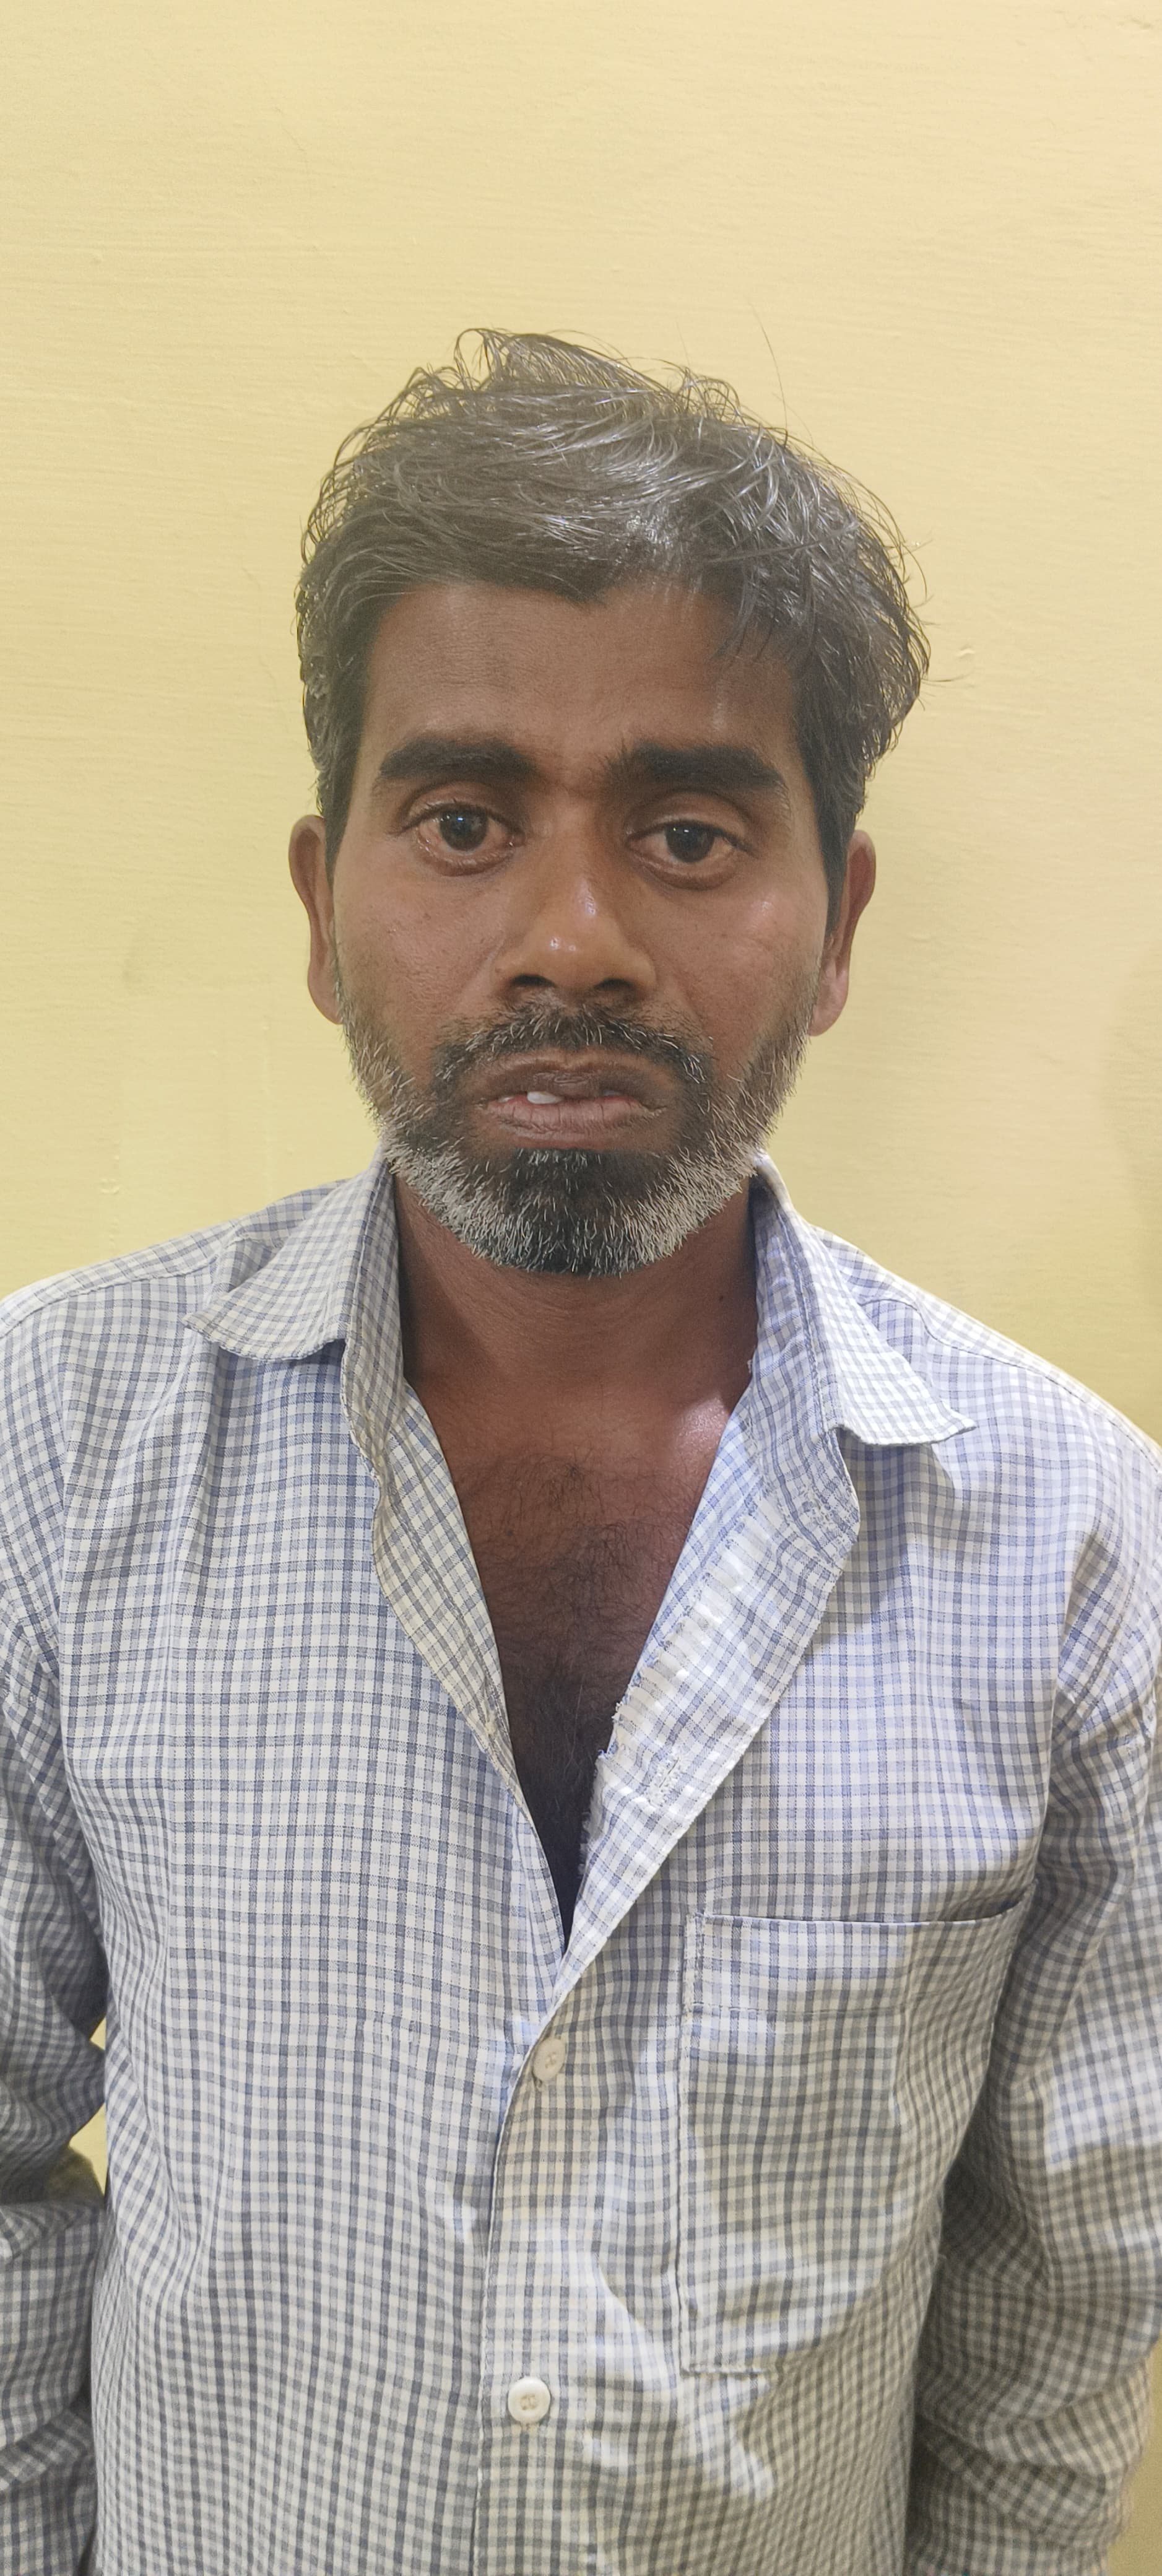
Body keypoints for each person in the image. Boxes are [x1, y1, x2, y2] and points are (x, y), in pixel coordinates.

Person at [1, 332, 1159, 2576]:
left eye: (690, 833)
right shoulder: (50, 1444)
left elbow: (1061, 2306)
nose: (571, 941)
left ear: (838, 925)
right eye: (464, 822)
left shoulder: (1078, 1542)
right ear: (325, 900)